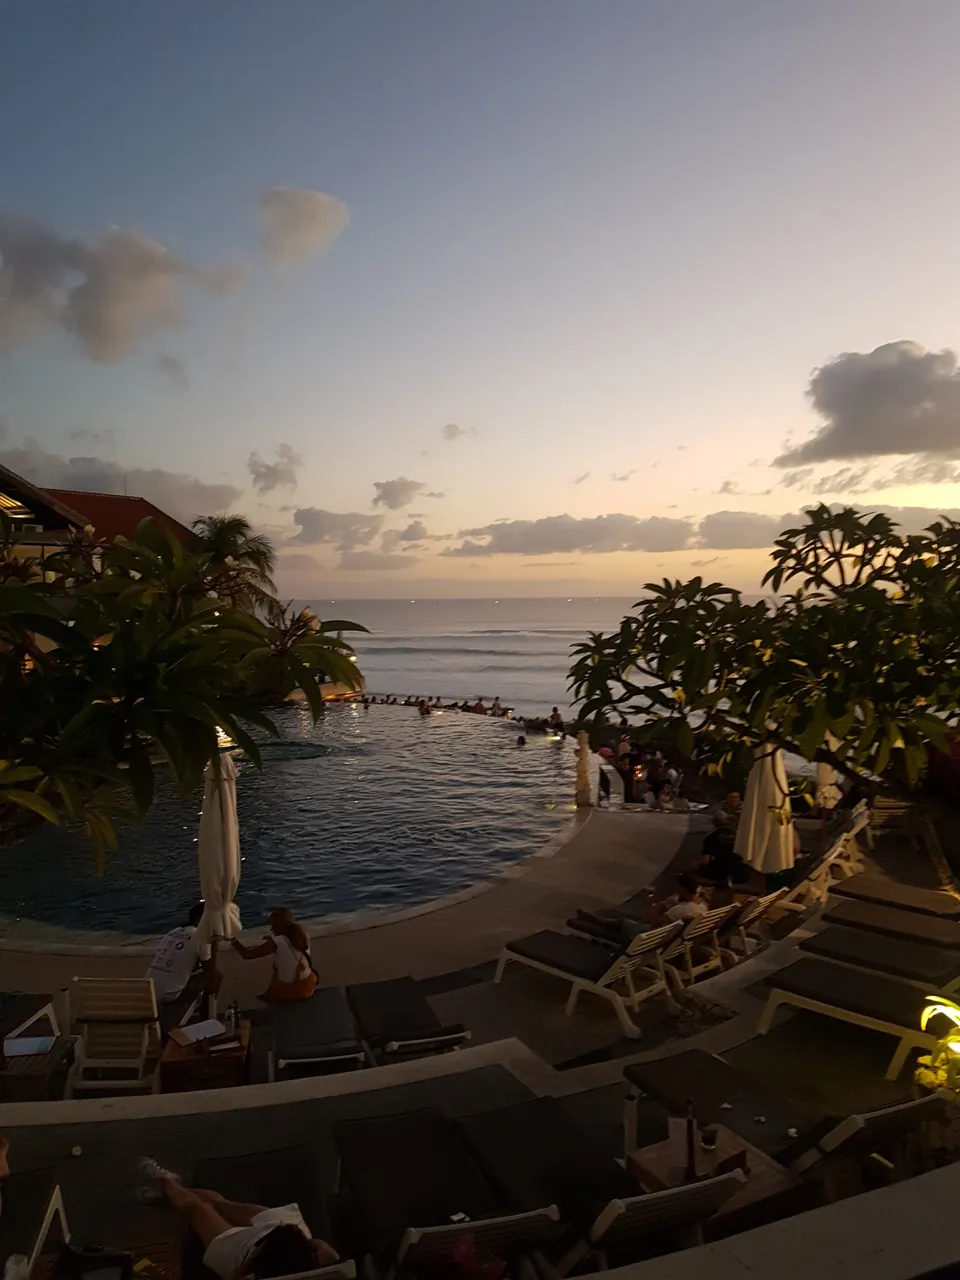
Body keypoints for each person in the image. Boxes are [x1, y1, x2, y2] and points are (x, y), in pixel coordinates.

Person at [138, 1160, 338, 1280]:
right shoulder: (325, 1259)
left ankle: (165, 1180)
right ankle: (171, 1195)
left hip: (245, 1254)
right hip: (283, 1234)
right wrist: (308, 1244)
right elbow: (322, 1248)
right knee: (224, 1205)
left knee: (197, 1209)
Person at [232, 909, 317, 1003]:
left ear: (278, 926)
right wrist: (272, 940)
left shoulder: (277, 942)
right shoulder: (302, 934)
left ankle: (270, 998)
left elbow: (247, 955)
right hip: (307, 986)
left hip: (290, 992)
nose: (271, 928)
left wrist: (233, 940)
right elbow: (287, 947)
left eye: (273, 925)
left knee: (277, 972)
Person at [147, 904, 220, 1009]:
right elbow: (211, 971)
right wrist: (214, 943)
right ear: (199, 920)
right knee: (216, 977)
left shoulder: (172, 932)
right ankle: (206, 1018)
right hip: (167, 995)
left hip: (147, 991)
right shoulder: (200, 936)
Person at [699, 814, 749, 885]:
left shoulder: (710, 838)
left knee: (699, 869)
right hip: (740, 873)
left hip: (720, 872)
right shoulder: (739, 835)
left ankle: (723, 882)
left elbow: (705, 860)